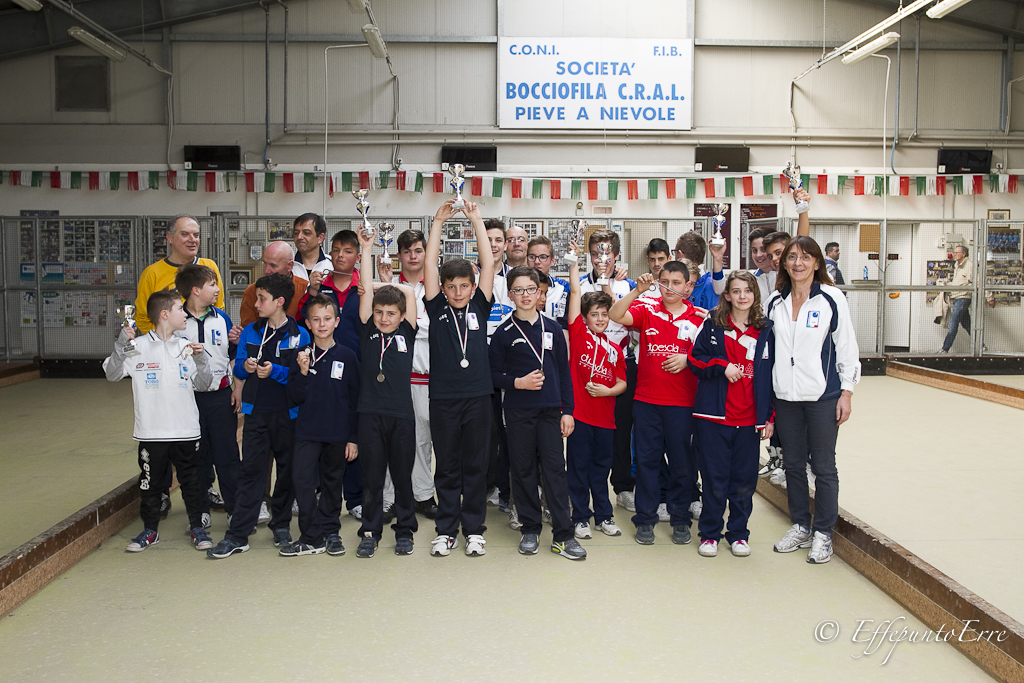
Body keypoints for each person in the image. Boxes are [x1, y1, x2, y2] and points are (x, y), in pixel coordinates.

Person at [766, 236, 860, 565]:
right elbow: (768, 350)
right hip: (785, 397)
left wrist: (846, 391)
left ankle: (823, 533)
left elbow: (846, 346)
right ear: (784, 263)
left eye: (806, 257)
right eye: (792, 257)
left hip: (823, 396)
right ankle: (800, 526)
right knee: (792, 464)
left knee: (823, 466)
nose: (798, 263)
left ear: (817, 263)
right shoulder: (775, 301)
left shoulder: (832, 298)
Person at [208, 273, 310, 559]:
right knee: (251, 471)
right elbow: (238, 366)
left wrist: (273, 371)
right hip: (256, 414)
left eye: (262, 298)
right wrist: (246, 367)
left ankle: (281, 524)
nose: (256, 303)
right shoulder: (251, 332)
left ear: (279, 302)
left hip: (288, 414)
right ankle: (238, 533)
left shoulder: (300, 334)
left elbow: (300, 376)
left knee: (287, 472)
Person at [102, 289, 214, 552]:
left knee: (192, 482)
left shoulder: (186, 347)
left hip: (186, 431)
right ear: (164, 314)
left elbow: (204, 383)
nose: (185, 314)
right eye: (179, 309)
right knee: (150, 484)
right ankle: (150, 531)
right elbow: (112, 374)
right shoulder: (138, 347)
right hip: (151, 432)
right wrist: (121, 344)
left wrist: (201, 359)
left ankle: (197, 528)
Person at [490, 265, 585, 560]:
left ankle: (563, 535)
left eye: (530, 289)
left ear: (539, 292)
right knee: (523, 470)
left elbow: (564, 374)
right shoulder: (503, 333)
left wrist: (567, 411)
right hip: (518, 412)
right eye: (518, 290)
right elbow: (492, 375)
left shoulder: (553, 328)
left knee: (555, 470)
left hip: (550, 412)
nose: (525, 295)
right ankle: (530, 528)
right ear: (510, 295)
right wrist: (517, 383)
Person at [609, 261, 704, 546]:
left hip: (682, 404)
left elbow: (709, 358)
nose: (669, 288)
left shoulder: (699, 318)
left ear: (688, 286)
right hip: (647, 402)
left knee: (681, 464)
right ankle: (645, 519)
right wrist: (637, 291)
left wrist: (688, 359)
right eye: (664, 282)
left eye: (677, 282)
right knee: (647, 462)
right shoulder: (648, 310)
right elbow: (615, 314)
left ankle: (680, 519)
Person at [423, 200, 495, 557]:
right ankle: (446, 529)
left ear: (473, 286)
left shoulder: (481, 305)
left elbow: (488, 262)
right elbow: (428, 265)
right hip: (444, 398)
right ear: (443, 288)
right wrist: (437, 223)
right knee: (448, 466)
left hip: (479, 397)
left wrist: (476, 219)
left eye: (464, 286)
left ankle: (475, 529)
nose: (457, 293)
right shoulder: (436, 307)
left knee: (475, 466)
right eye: (451, 287)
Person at [688, 271, 775, 558]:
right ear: (727, 295)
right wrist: (721, 365)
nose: (742, 296)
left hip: (749, 421)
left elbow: (773, 376)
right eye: (736, 291)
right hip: (714, 418)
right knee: (714, 479)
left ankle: (738, 534)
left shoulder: (766, 330)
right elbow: (694, 360)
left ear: (755, 295)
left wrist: (769, 417)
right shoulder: (713, 324)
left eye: (747, 291)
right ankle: (709, 534)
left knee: (744, 482)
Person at [353, 229, 419, 558]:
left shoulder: (408, 329)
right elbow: (365, 292)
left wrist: (386, 284)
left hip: (401, 416)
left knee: (403, 477)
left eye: (391, 313)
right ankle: (370, 530)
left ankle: (404, 530)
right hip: (369, 414)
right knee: (372, 477)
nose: (383, 318)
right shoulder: (368, 330)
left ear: (402, 316)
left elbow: (409, 292)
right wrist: (366, 249)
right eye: (379, 312)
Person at [282, 294, 360, 557]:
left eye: (327, 319)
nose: (322, 324)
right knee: (303, 481)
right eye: (316, 319)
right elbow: (295, 396)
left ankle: (331, 532)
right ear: (307, 323)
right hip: (307, 432)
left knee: (332, 483)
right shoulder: (300, 356)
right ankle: (310, 536)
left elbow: (355, 400)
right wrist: (303, 372)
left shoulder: (347, 356)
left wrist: (353, 437)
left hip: (337, 433)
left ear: (337, 321)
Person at [565, 249, 627, 539]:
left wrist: (608, 391)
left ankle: (604, 515)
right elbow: (575, 292)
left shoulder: (615, 350)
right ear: (585, 318)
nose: (600, 319)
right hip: (580, 416)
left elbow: (622, 383)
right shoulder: (579, 336)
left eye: (604, 314)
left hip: (605, 419)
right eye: (594, 315)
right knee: (578, 469)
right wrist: (574, 264)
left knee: (601, 470)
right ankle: (580, 517)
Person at [377, 229, 439, 520]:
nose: (413, 257)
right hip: (396, 380)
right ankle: (389, 498)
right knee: (391, 440)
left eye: (418, 250)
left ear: (426, 253)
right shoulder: (390, 286)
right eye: (407, 252)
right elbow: (384, 325)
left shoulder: (437, 286)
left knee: (423, 440)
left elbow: (437, 328)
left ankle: (423, 495)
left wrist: (410, 324)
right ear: (399, 256)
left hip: (428, 378)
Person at [173, 264, 241, 529]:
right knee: (195, 456)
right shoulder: (177, 321)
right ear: (195, 290)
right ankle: (199, 509)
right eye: (212, 284)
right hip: (188, 400)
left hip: (220, 397)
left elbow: (232, 355)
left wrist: (237, 388)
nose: (217, 289)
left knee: (228, 453)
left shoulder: (221, 318)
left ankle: (234, 508)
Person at [580, 229, 638, 514]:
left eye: (606, 254)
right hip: (588, 369)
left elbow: (628, 321)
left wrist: (608, 285)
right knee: (586, 434)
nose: (601, 259)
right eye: (595, 254)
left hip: (620, 367)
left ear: (616, 256)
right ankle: (582, 495)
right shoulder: (580, 286)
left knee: (621, 431)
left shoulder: (629, 286)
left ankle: (623, 487)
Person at [134, 214, 226, 334]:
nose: (192, 239)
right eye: (184, 234)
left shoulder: (209, 266)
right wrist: (164, 339)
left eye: (196, 235)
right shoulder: (151, 273)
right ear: (169, 238)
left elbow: (218, 308)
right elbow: (142, 317)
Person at [297, 229, 361, 356]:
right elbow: (301, 319)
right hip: (321, 359)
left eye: (347, 251)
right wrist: (313, 291)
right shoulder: (319, 287)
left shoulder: (363, 289)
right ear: (331, 255)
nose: (340, 255)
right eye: (336, 250)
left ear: (358, 258)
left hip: (357, 360)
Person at [240, 241, 310, 326]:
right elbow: (248, 329)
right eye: (265, 263)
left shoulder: (305, 289)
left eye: (273, 265)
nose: (266, 270)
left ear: (290, 266)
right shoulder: (251, 292)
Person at [526, 235, 570, 328]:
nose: (537, 261)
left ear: (552, 261)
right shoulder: (519, 288)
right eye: (532, 257)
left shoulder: (563, 287)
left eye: (543, 257)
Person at [675, 231, 718, 310]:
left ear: (680, 254)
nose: (686, 289)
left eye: (691, 284)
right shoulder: (712, 284)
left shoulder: (707, 284)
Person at [942, 245, 972, 353]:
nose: (954, 254)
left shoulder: (970, 265)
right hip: (957, 298)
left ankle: (945, 349)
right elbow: (959, 282)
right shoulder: (957, 265)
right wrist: (948, 285)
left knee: (953, 323)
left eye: (956, 252)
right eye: (954, 252)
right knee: (967, 325)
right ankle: (981, 345)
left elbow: (978, 281)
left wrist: (989, 297)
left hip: (963, 298)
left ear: (964, 254)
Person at [291, 212, 333, 279]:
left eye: (306, 233)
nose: (299, 237)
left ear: (320, 238)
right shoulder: (288, 265)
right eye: (296, 233)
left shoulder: (332, 265)